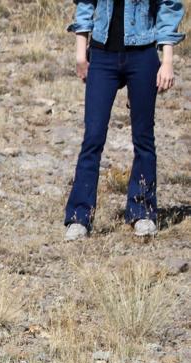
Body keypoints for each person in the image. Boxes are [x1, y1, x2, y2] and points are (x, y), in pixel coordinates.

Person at [64, 0, 185, 240]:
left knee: (143, 137)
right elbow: (86, 4)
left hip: (143, 56)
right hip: (101, 56)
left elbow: (168, 6)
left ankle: (142, 212)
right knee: (93, 137)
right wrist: (80, 54)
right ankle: (80, 217)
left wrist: (167, 61)